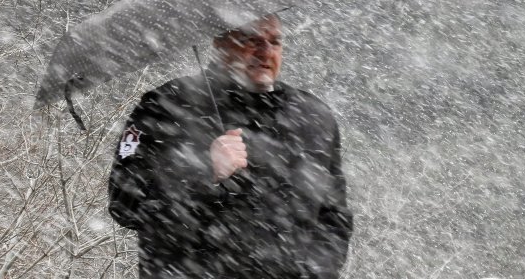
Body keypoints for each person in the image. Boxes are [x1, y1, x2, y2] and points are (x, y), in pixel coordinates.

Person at [108, 15, 353, 278]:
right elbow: (125, 203)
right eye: (251, 40)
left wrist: (314, 271)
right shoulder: (165, 106)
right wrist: (204, 171)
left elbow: (334, 216)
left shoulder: (312, 116)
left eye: (275, 41)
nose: (266, 52)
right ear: (220, 44)